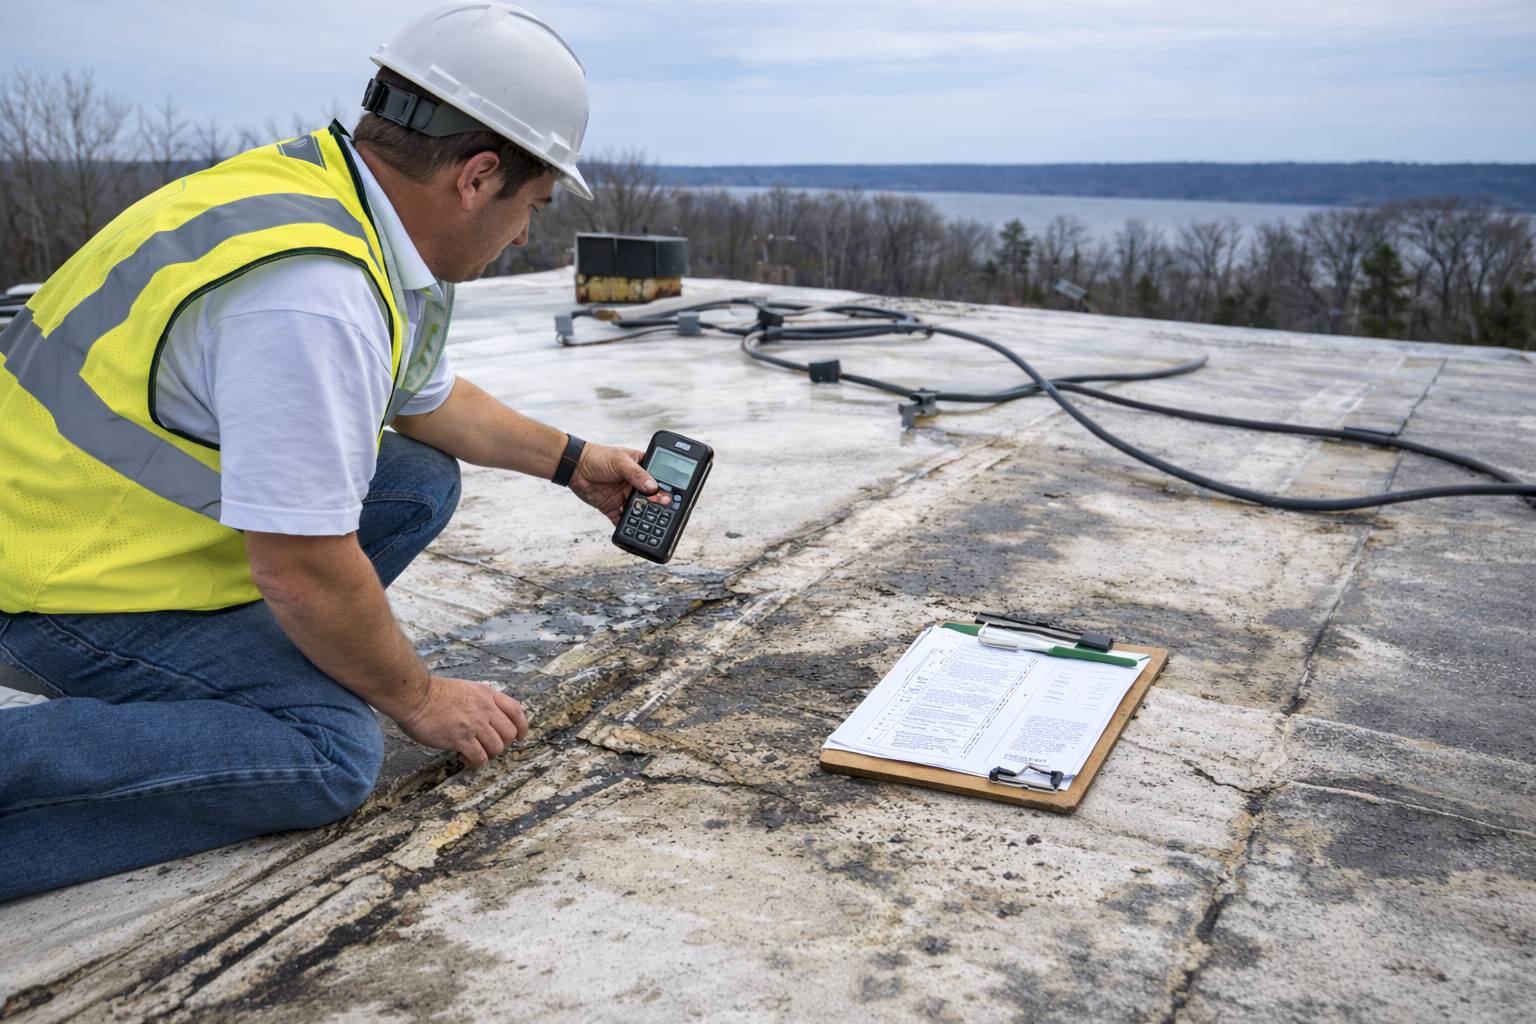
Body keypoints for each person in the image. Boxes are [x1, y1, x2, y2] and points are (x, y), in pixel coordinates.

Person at [0, 4, 666, 901]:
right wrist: (420, 697)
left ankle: (247, 666)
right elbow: (304, 566)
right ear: (477, 176)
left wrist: (573, 461)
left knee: (415, 482)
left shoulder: (325, 194)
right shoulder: (314, 298)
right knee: (329, 751)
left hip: (82, 519)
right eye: (530, 207)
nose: (522, 238)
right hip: (48, 585)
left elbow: (426, 403)